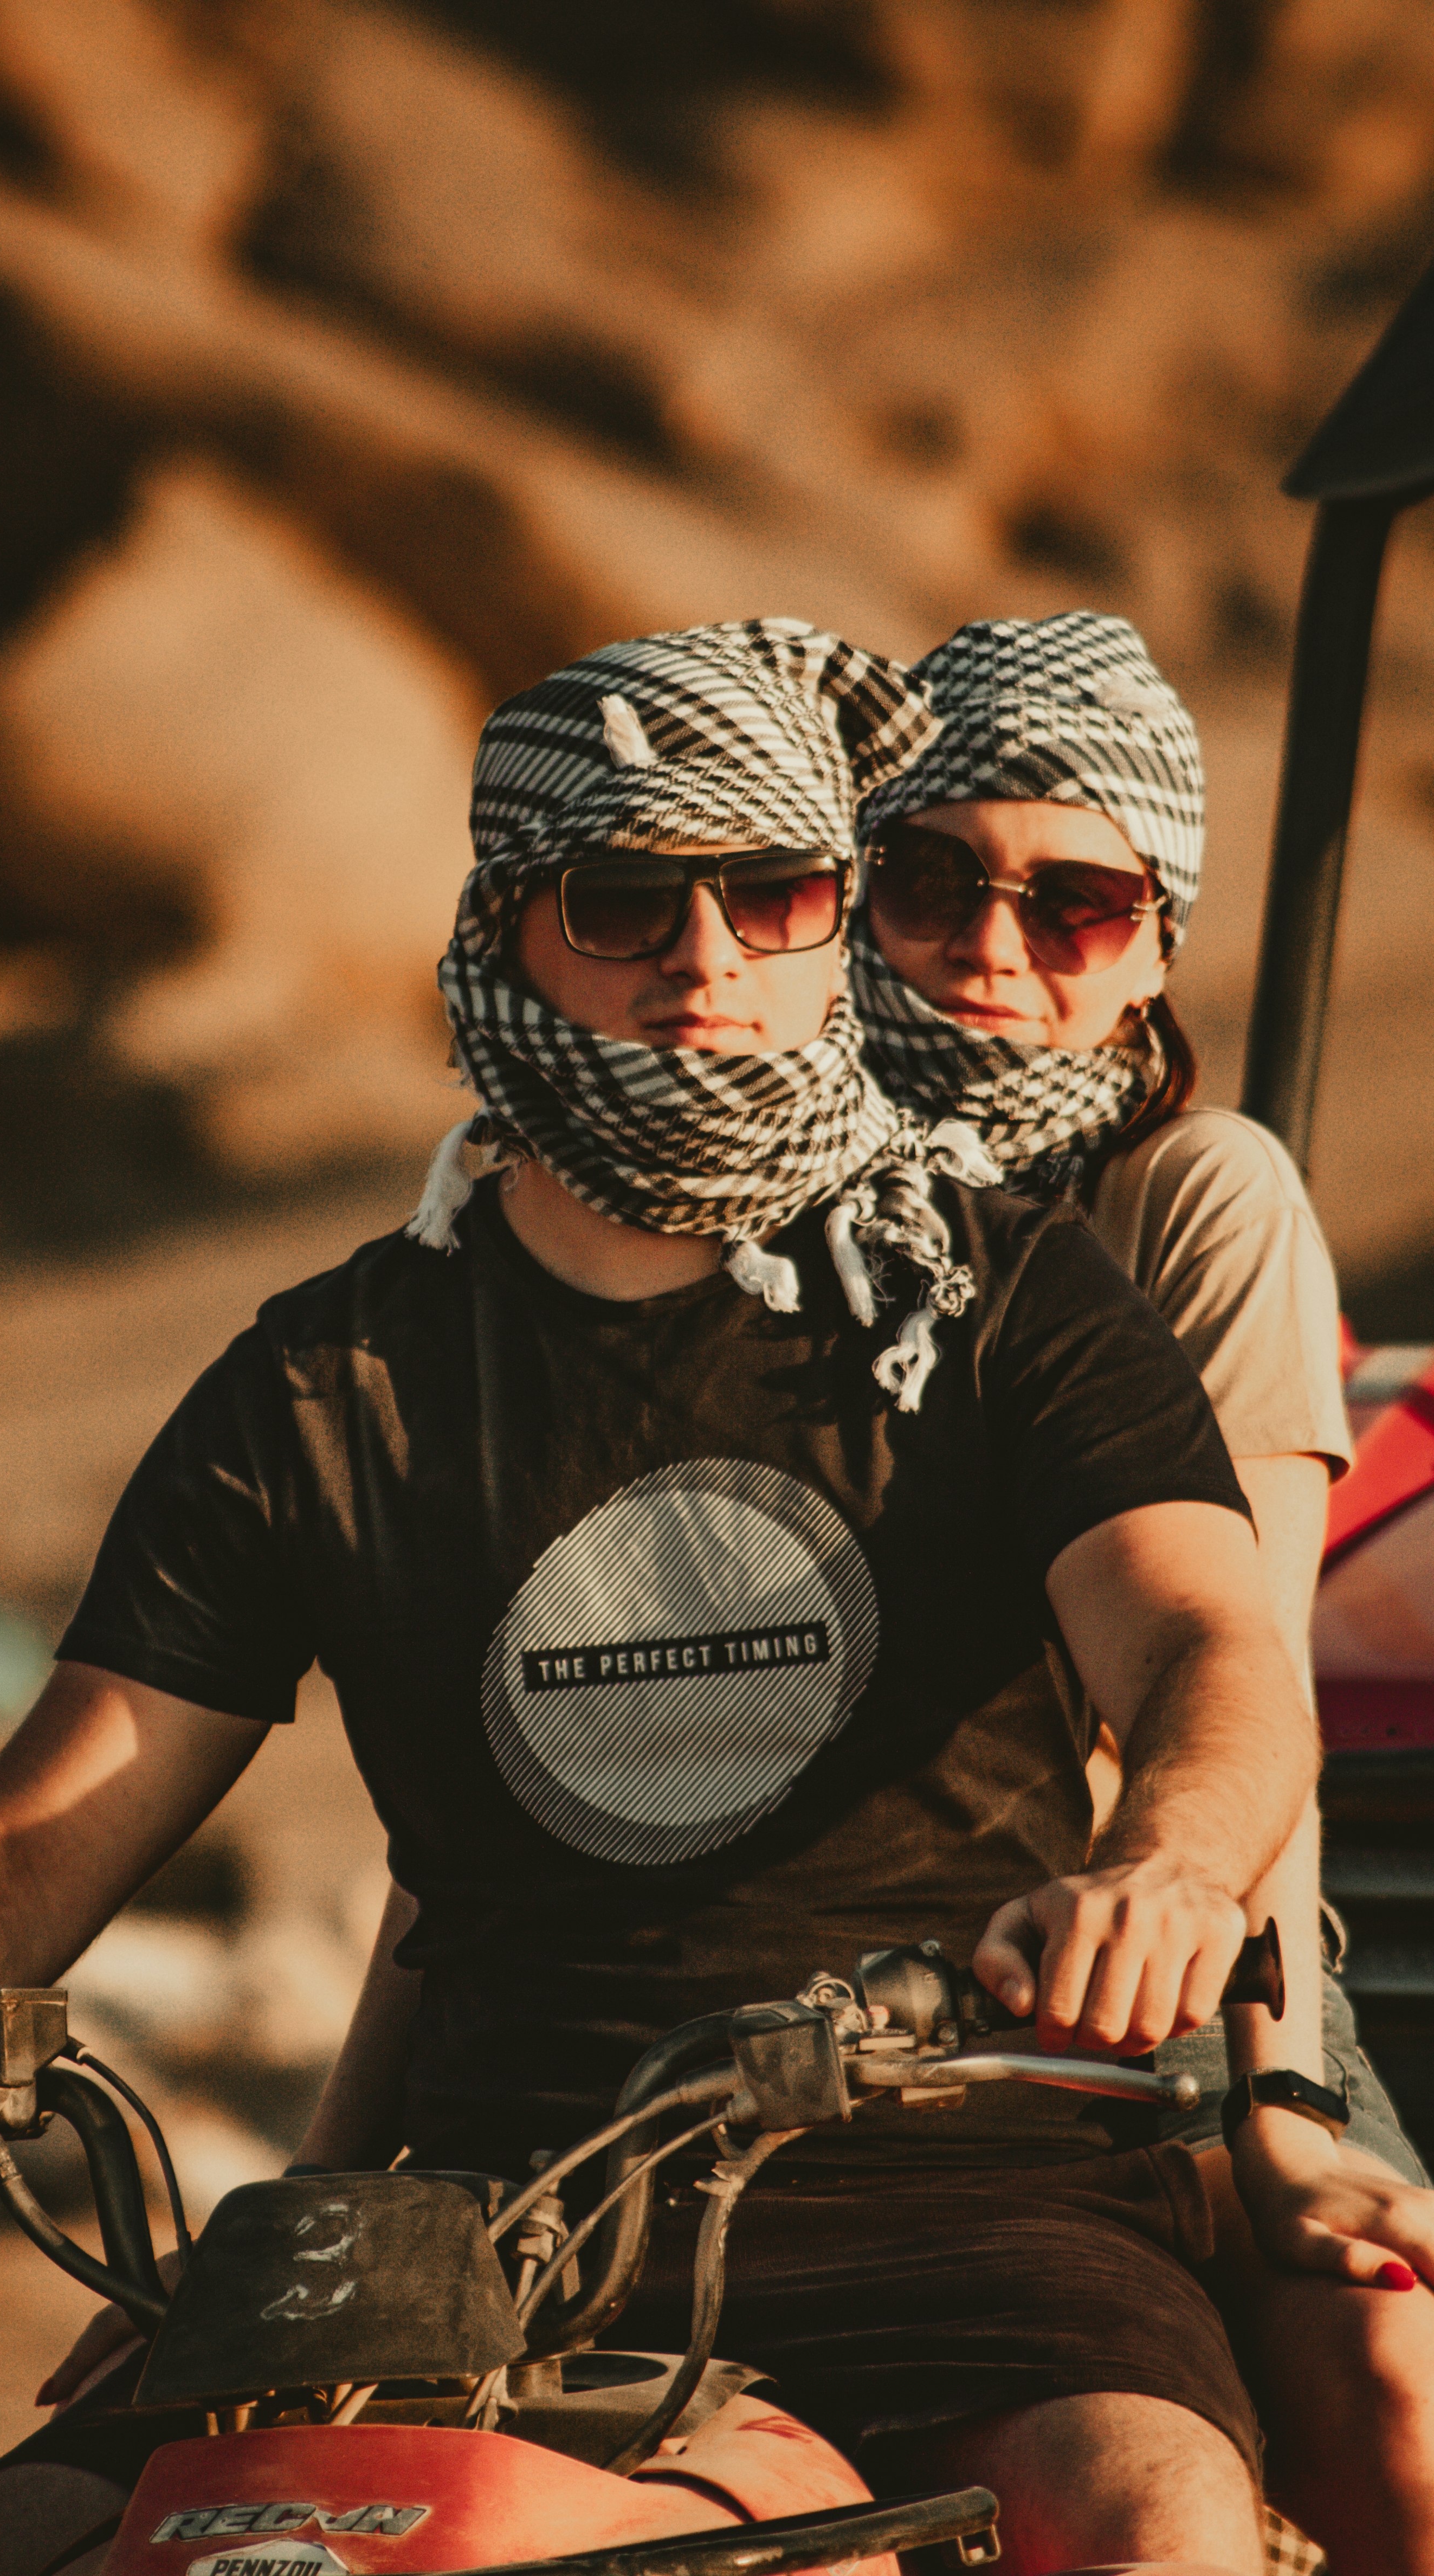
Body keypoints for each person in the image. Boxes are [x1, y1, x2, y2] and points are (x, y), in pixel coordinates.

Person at [0, 620, 1321, 2576]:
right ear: (511, 929)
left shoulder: (997, 1300)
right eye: (627, 897)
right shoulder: (329, 1383)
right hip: (462, 2226)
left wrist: (1164, 1868)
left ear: (834, 927)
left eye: (773, 890)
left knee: (1160, 2517)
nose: (706, 961)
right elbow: (51, 1812)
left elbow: (1202, 1639)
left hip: (961, 2193)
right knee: (0, 2543)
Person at [848, 608, 1434, 2573]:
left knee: (1392, 2405)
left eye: (1073, 903)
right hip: (764, 1962)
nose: (993, 952)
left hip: (1137, 1973)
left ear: (1158, 941)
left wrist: (1266, 2102)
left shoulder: (1192, 1197)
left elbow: (1237, 1684)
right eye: (931, 881)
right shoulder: (723, 1219)